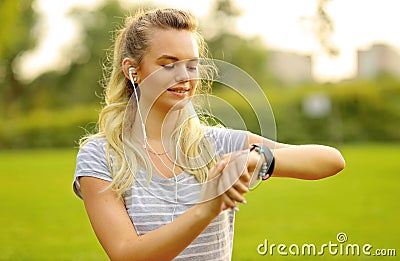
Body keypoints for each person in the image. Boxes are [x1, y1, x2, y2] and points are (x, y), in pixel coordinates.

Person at [73, 8, 345, 261]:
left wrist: (257, 159)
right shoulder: (100, 156)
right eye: (168, 64)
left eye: (191, 65)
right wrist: (207, 207)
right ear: (133, 70)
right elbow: (126, 255)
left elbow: (331, 160)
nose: (184, 77)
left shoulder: (218, 143)